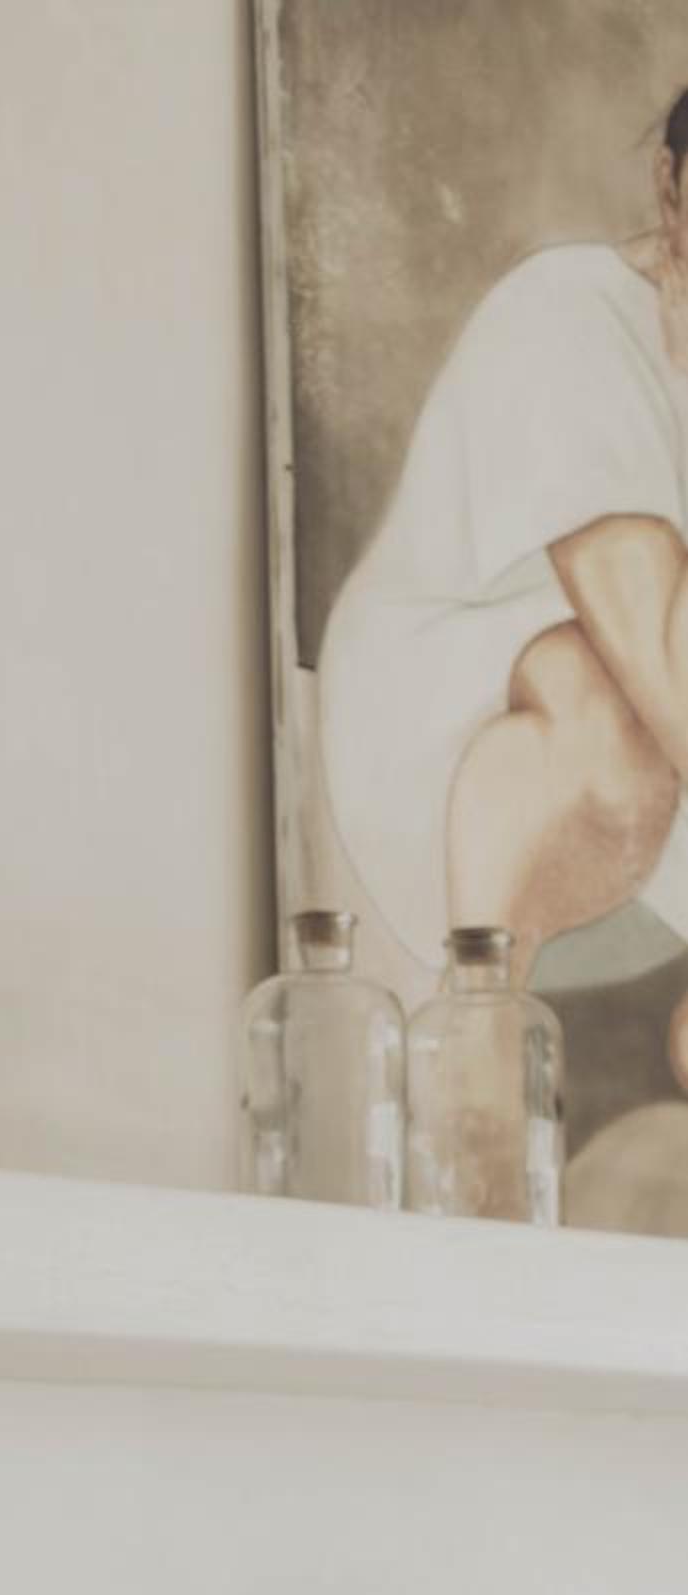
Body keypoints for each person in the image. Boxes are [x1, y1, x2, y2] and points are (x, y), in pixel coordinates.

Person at [320, 88, 688, 981]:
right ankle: (481, 1011)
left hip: (646, 770)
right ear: (668, 186)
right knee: (599, 699)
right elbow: (665, 669)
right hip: (442, 714)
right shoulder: (566, 318)